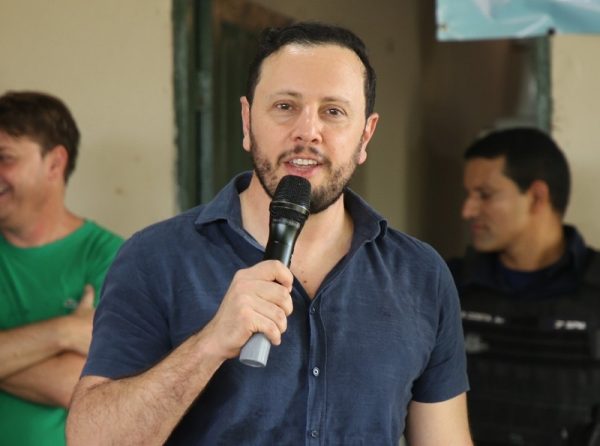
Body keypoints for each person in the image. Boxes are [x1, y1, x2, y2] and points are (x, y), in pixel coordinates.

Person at [67, 22, 472, 445]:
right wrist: (209, 344)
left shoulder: (420, 274)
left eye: (333, 112)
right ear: (247, 121)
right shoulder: (155, 258)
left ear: (365, 135)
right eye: (285, 106)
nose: (307, 132)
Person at [448, 127, 600, 446]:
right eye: (468, 195)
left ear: (537, 196)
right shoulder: (446, 285)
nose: (467, 210)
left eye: (485, 195)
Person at [0, 91, 123, 446]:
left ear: (55, 163)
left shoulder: (114, 257)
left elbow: (81, 387)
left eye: (4, 158)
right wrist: (64, 332)